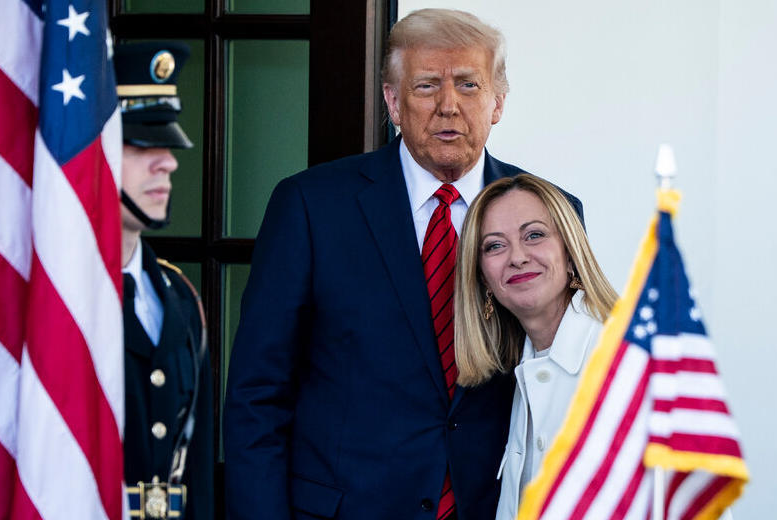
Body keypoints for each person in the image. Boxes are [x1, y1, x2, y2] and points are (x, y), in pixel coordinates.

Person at [223, 8, 581, 520]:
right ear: (393, 102)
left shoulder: (551, 216)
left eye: (468, 84)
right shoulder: (310, 207)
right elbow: (257, 396)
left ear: (498, 102)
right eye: (426, 86)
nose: (448, 105)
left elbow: (574, 379)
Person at [453, 174, 618, 520]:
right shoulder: (524, 369)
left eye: (534, 235)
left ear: (570, 253)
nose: (517, 257)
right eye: (495, 246)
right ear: (483, 279)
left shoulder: (628, 358)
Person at [115, 41, 213, 520]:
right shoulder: (47, 300)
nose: (169, 163)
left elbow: (197, 470)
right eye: (140, 145)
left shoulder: (179, 296)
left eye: (168, 146)